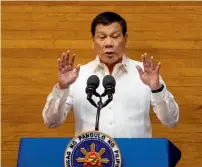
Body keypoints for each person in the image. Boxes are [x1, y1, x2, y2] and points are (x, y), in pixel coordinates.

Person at [42, 11, 179, 138]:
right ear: (93, 41)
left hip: (136, 160)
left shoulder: (146, 75)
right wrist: (62, 87)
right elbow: (51, 122)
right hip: (92, 160)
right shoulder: (77, 76)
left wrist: (157, 89)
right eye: (102, 37)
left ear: (125, 40)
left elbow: (171, 120)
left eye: (115, 36)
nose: (108, 43)